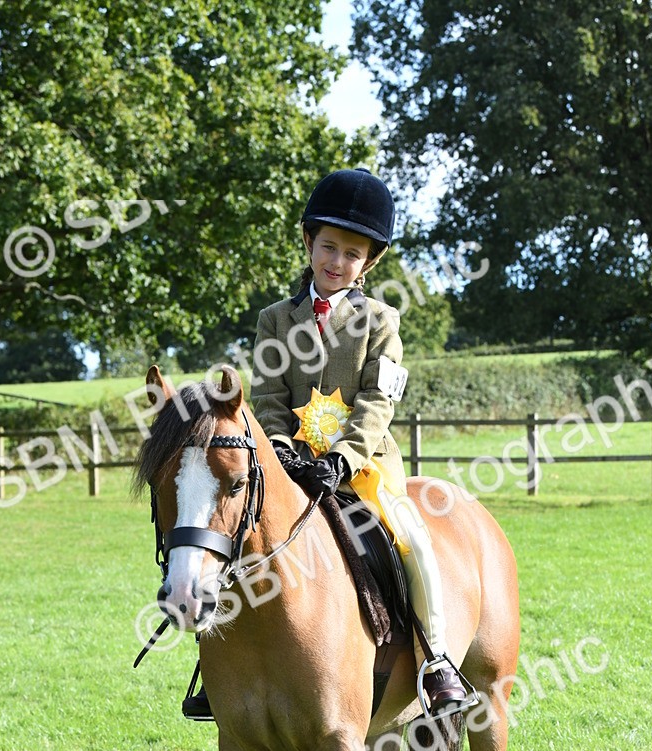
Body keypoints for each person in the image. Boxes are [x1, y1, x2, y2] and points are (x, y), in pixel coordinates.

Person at [182, 168, 475, 722]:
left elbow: (377, 402)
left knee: (414, 541)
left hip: (363, 467)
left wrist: (342, 458)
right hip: (287, 465)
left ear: (368, 263)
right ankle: (215, 672)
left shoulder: (382, 322)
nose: (336, 262)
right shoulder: (275, 319)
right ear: (309, 243)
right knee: (233, 539)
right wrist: (278, 446)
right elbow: (267, 394)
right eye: (329, 247)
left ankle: (436, 661)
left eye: (351, 253)